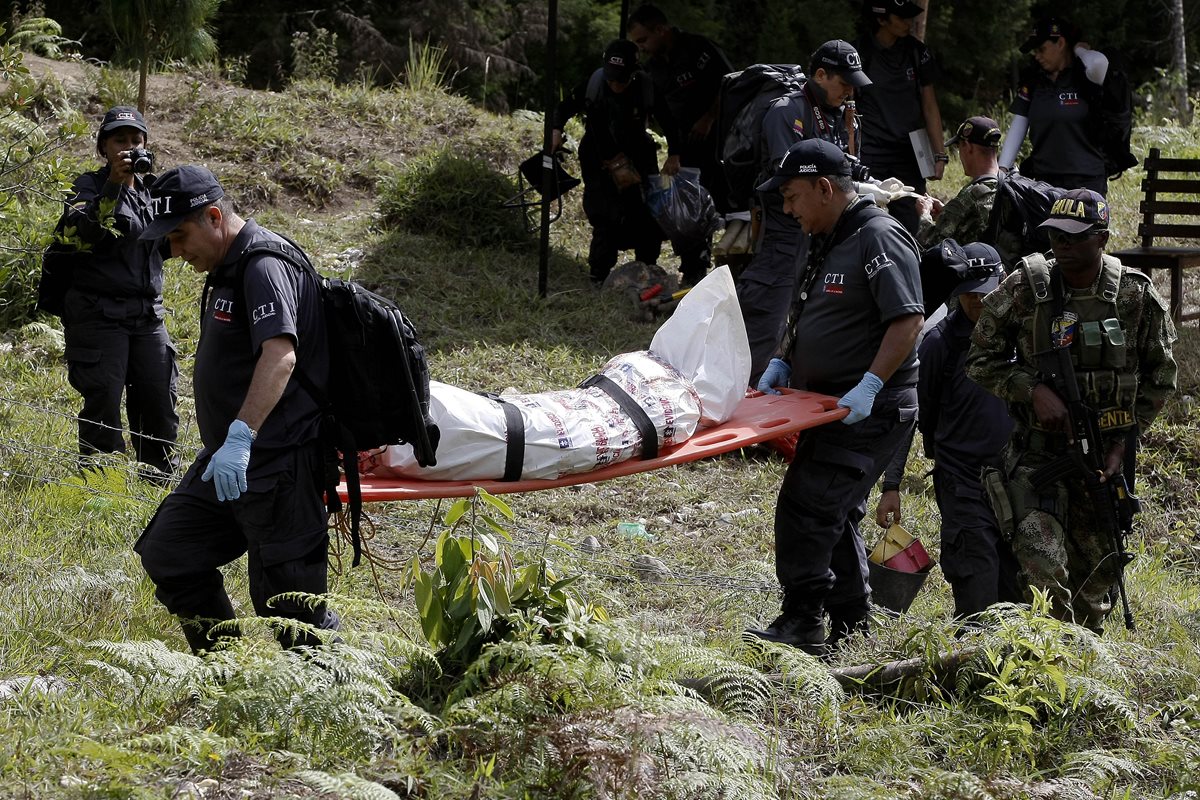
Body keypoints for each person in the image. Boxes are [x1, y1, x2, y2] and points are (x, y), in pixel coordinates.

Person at [133, 165, 340, 653]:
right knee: (171, 551)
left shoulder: (263, 263)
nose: (179, 253)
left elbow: (280, 354)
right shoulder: (228, 266)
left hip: (279, 465)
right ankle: (226, 673)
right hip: (229, 463)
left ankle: (337, 712)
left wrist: (242, 436)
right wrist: (230, 446)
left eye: (182, 237)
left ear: (212, 216)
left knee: (291, 609)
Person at [966, 189, 1177, 632]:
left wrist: (1122, 443)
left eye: (1073, 237)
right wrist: (1030, 389)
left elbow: (1161, 377)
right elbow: (979, 359)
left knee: (1095, 584)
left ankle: (1081, 669)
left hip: (1102, 464)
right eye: (1055, 235)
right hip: (1037, 459)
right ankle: (1047, 662)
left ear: (1101, 238)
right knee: (1044, 573)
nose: (1061, 245)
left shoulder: (1134, 297)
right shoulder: (1027, 286)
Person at [746, 138, 923, 654]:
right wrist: (785, 357)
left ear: (825, 188)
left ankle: (805, 619)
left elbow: (907, 319)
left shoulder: (878, 237)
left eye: (793, 196)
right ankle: (853, 621)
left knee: (807, 506)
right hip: (829, 406)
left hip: (872, 409)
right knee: (836, 510)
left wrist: (870, 384)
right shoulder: (828, 234)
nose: (786, 208)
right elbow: (807, 306)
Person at [876, 241, 1023, 620]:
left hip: (1019, 478)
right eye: (969, 295)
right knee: (977, 584)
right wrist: (892, 485)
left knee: (1019, 588)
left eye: (986, 293)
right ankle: (970, 665)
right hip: (963, 479)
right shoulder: (940, 343)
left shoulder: (1021, 336)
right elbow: (911, 414)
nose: (978, 303)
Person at [737, 39, 871, 384]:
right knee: (768, 319)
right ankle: (748, 408)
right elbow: (790, 175)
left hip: (826, 234)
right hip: (785, 229)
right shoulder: (787, 110)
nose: (850, 93)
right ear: (821, 75)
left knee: (811, 320)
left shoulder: (844, 116)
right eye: (844, 83)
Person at [57, 106, 178, 481]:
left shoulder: (154, 191)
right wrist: (113, 184)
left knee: (158, 398)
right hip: (98, 314)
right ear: (103, 147)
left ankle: (156, 480)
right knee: (104, 398)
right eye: (119, 140)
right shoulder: (87, 187)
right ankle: (100, 483)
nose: (129, 147)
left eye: (136, 140)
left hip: (146, 314)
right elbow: (83, 233)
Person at [551, 39, 682, 285]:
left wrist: (674, 154)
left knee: (646, 213)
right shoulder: (594, 85)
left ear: (633, 72)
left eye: (620, 80)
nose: (615, 84)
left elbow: (669, 122)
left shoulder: (646, 87)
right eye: (611, 79)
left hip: (638, 157)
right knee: (605, 215)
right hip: (598, 157)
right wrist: (555, 130)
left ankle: (647, 267)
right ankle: (598, 275)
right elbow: (562, 108)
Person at [627, 3, 734, 284]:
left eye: (643, 40)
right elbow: (658, 111)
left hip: (722, 144)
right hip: (686, 148)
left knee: (727, 207)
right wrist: (673, 150)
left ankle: (734, 272)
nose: (642, 48)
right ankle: (693, 271)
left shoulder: (699, 49)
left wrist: (709, 117)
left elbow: (731, 85)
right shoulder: (652, 68)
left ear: (660, 30)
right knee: (689, 209)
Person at [853, 0, 946, 234]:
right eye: (901, 18)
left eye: (910, 17)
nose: (909, 23)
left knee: (911, 223)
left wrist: (940, 154)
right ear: (882, 19)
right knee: (868, 220)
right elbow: (848, 108)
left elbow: (930, 105)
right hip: (871, 153)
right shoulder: (859, 54)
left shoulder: (917, 52)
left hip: (910, 154)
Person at [999, 17, 1114, 195]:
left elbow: (1100, 62)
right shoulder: (1034, 81)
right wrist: (1002, 168)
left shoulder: (1088, 75)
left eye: (1041, 49)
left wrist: (1078, 49)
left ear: (1060, 43)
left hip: (1086, 180)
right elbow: (1019, 123)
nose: (1037, 56)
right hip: (1044, 181)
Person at [915, 116, 1001, 248]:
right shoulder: (1007, 184)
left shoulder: (971, 195)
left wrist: (924, 214)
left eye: (959, 146)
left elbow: (930, 243)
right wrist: (946, 213)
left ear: (968, 146)